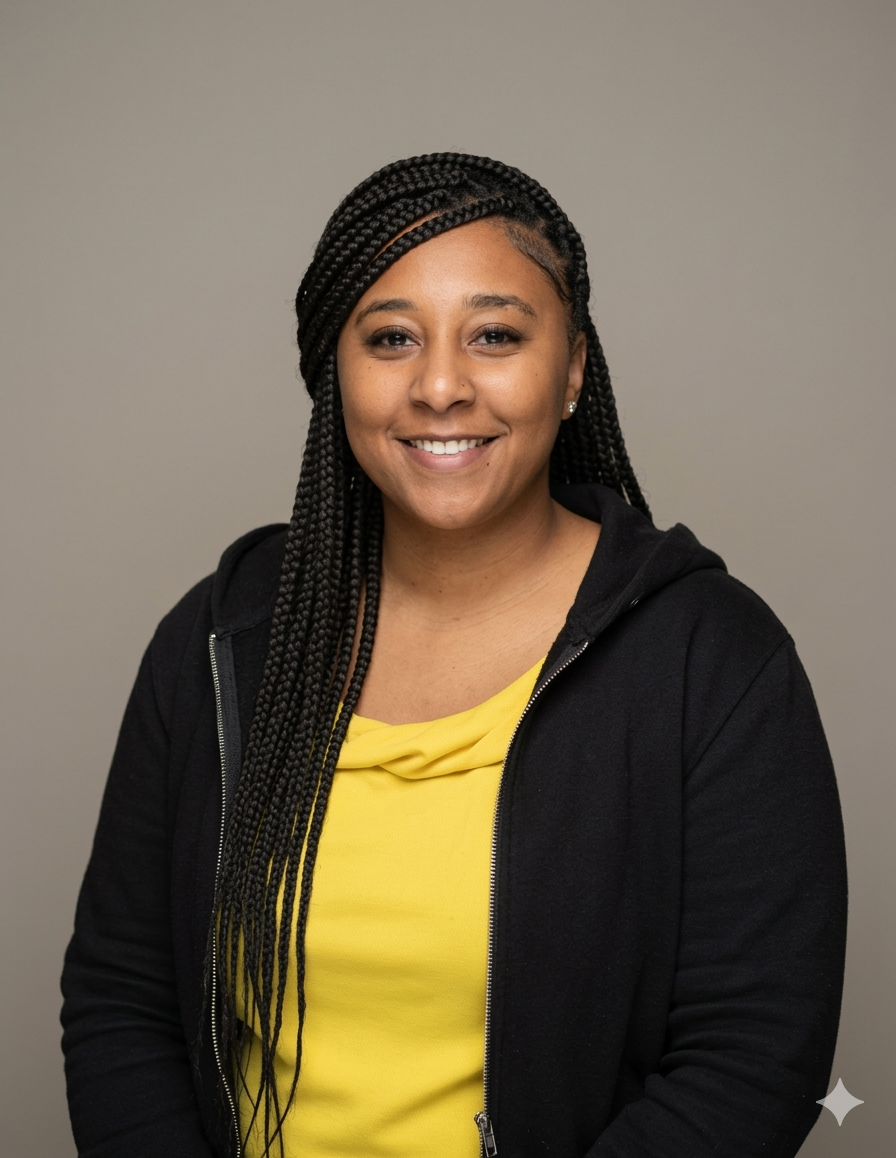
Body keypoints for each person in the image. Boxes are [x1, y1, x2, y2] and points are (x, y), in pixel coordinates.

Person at [61, 153, 847, 1158]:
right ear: (332, 372)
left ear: (568, 369)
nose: (439, 384)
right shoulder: (216, 640)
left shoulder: (712, 663)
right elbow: (122, 1003)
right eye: (390, 337)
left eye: (494, 335)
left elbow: (751, 1059)